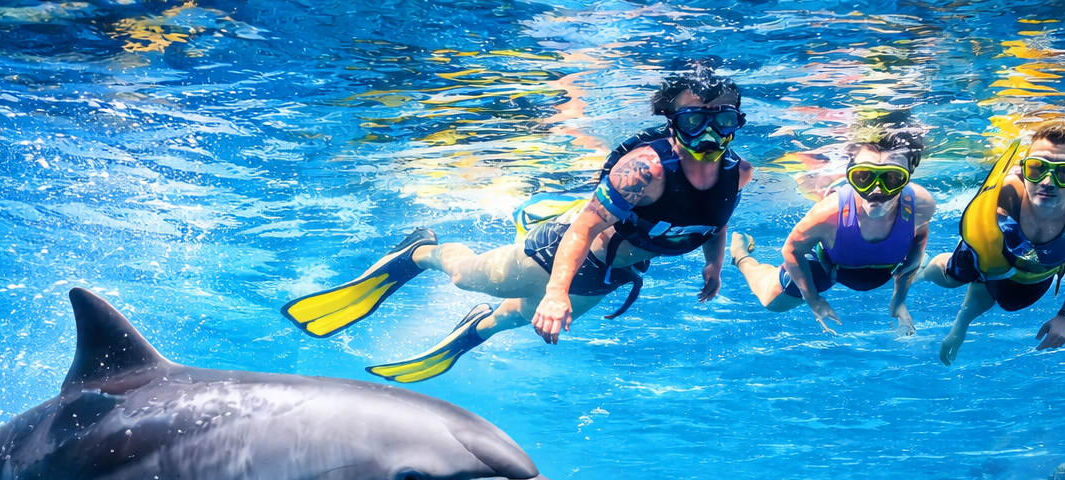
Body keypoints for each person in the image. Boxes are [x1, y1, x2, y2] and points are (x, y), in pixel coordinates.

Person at [279, 62, 754, 382]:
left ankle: (473, 330)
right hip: (566, 251)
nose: (710, 132)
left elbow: (715, 219)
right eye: (694, 120)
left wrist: (713, 265)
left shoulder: (740, 172)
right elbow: (585, 227)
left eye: (724, 119)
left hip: (615, 272)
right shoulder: (645, 171)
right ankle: (419, 252)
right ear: (672, 120)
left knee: (521, 318)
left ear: (737, 121)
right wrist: (554, 290)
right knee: (471, 278)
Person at [917, 118, 1065, 365]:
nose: (1048, 182)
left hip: (1033, 276)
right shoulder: (1005, 192)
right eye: (1038, 168)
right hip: (991, 254)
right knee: (953, 276)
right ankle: (920, 272)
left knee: (1010, 300)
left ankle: (960, 326)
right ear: (1023, 169)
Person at [729, 123, 935, 337]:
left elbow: (918, 242)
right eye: (863, 176)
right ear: (851, 173)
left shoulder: (920, 205)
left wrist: (899, 299)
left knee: (926, 264)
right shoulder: (827, 214)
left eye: (891, 178)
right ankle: (741, 256)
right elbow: (791, 251)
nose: (876, 189)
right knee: (771, 301)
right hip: (827, 264)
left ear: (909, 173)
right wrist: (814, 300)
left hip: (883, 267)